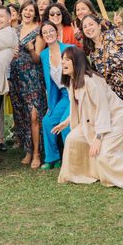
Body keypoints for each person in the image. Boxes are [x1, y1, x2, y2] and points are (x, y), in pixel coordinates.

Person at [57, 46, 123, 188]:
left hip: (116, 119)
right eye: (62, 59)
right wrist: (66, 121)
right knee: (72, 139)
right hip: (96, 121)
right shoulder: (72, 81)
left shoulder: (92, 81)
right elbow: (83, 106)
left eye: (67, 60)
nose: (63, 63)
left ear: (77, 62)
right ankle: (84, 174)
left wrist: (99, 138)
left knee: (104, 155)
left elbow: (103, 109)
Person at [81, 14, 123, 164]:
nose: (88, 28)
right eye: (85, 26)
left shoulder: (116, 34)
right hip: (114, 92)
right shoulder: (92, 51)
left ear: (99, 25)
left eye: (91, 24)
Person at [10, 0, 46, 168]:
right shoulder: (14, 31)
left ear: (35, 14)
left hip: (33, 78)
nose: (28, 13)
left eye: (31, 10)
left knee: (34, 115)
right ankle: (28, 150)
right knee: (22, 116)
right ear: (21, 12)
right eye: (25, 10)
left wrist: (31, 49)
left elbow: (38, 58)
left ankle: (38, 153)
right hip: (16, 78)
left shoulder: (39, 32)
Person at [39, 21, 72, 169]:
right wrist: (51, 105)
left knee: (66, 125)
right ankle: (53, 158)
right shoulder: (44, 55)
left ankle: (70, 159)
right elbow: (51, 84)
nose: (48, 34)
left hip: (76, 93)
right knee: (48, 121)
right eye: (45, 32)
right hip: (63, 95)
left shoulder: (69, 49)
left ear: (57, 32)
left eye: (51, 31)